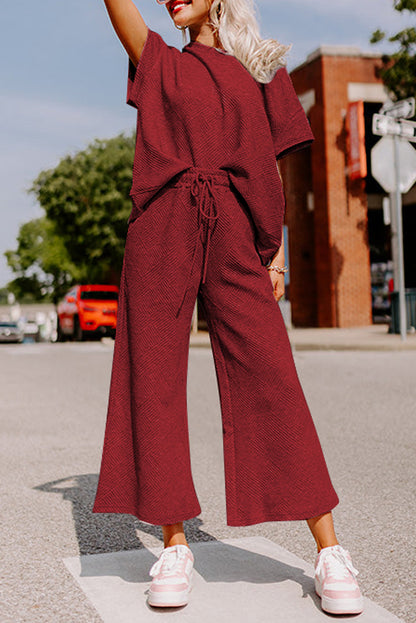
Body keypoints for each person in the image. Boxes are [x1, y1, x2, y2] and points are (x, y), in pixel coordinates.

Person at [93, 0, 364, 615]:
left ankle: (328, 548)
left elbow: (272, 168)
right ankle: (173, 540)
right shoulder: (160, 60)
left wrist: (275, 252)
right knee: (154, 378)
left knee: (272, 377)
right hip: (163, 223)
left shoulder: (265, 67)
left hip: (238, 229)